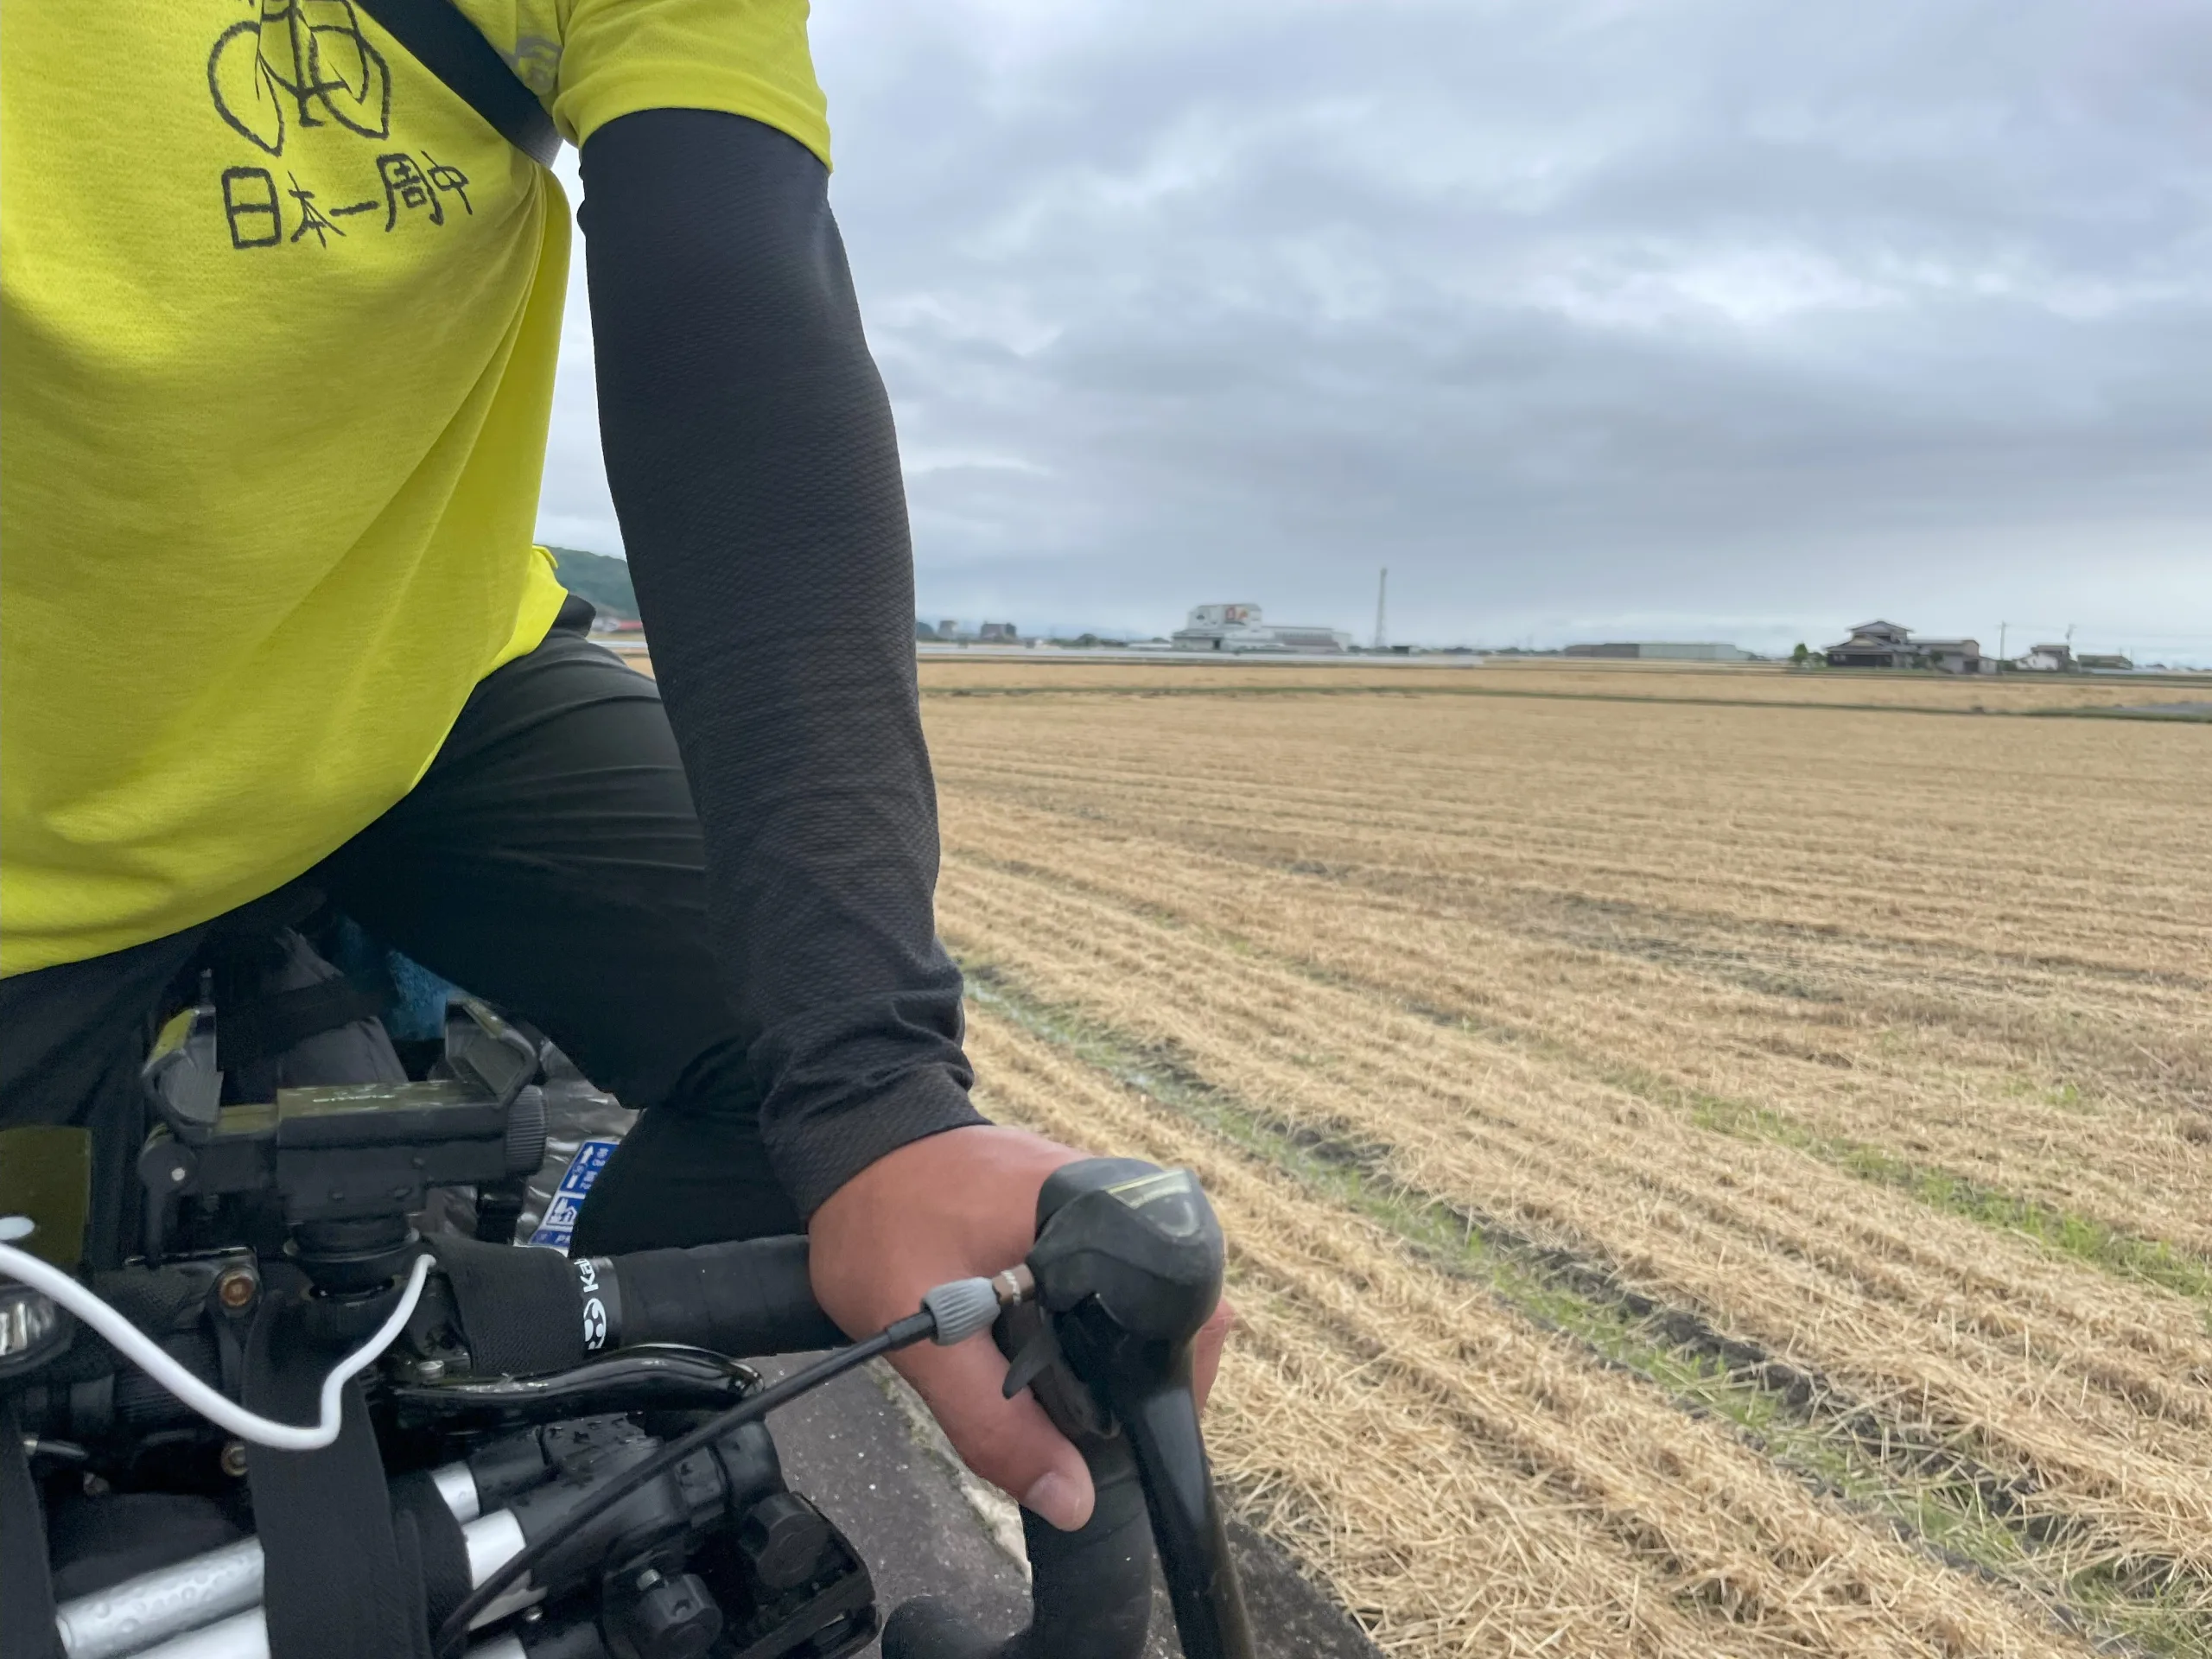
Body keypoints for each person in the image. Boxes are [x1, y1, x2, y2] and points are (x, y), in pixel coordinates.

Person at [0, 0, 1226, 1535]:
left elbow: (737, 312)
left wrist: (875, 1089)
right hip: (32, 858)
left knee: (812, 1091)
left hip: (428, 686)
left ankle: (500, 1348)